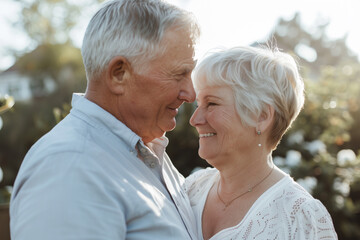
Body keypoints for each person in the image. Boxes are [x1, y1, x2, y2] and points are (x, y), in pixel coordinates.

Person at [10, 0, 200, 239]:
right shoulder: (70, 168)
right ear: (118, 74)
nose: (190, 94)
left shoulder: (146, 152)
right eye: (179, 74)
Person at [185, 46, 338, 239]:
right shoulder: (191, 189)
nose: (195, 119)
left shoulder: (299, 218)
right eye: (198, 105)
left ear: (262, 116)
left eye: (212, 104)